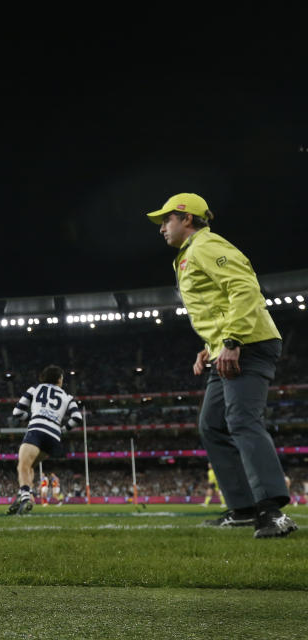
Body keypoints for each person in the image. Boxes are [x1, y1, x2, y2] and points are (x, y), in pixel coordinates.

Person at [147, 193, 296, 538]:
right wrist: (210, 346)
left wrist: (231, 341)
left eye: (166, 220)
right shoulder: (191, 253)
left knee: (242, 420)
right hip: (226, 347)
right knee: (212, 425)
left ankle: (271, 511)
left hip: (247, 343)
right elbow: (218, 304)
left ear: (187, 219)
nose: (161, 229)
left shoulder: (205, 245)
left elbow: (244, 288)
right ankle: (243, 508)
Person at [8, 365, 82, 515]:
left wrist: (31, 419)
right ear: (59, 379)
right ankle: (23, 495)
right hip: (54, 436)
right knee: (30, 467)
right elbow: (77, 418)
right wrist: (62, 430)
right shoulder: (68, 397)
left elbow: (17, 412)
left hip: (37, 429)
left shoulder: (35, 388)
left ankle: (25, 498)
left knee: (22, 466)